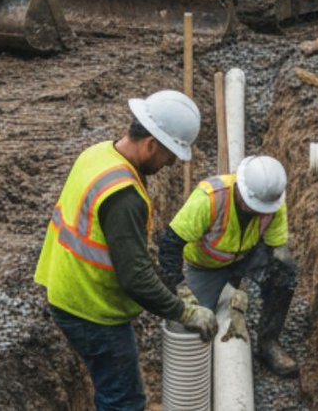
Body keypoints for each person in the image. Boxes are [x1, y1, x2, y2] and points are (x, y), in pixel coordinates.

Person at [35, 90, 219, 410]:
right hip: (92, 309)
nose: (171, 164)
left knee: (112, 386)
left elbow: (127, 250)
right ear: (150, 144)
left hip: (68, 288)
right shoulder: (124, 197)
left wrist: (173, 287)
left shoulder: (99, 154)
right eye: (169, 155)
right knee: (124, 399)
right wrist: (183, 311)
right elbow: (134, 277)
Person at [155, 154, 300, 377]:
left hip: (247, 256)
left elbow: (276, 250)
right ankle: (191, 369)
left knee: (285, 271)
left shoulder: (272, 203)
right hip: (207, 266)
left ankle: (268, 343)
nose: (260, 212)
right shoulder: (210, 199)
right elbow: (169, 245)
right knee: (193, 324)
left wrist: (275, 275)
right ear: (241, 191)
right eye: (255, 207)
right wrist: (179, 289)